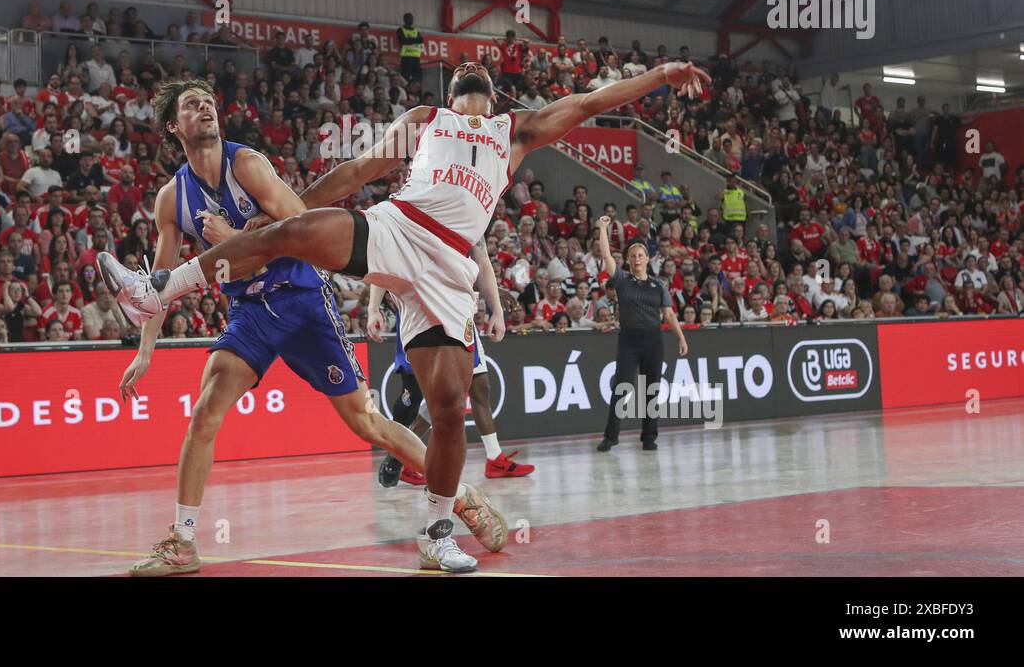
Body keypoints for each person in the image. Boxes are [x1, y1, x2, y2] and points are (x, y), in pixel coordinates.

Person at [107, 58, 709, 571]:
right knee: (296, 232)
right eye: (464, 75)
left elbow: (591, 99)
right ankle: (162, 288)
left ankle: (437, 533)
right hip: (398, 229)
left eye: (481, 76)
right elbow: (357, 172)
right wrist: (286, 218)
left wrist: (661, 74)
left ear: (492, 97)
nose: (472, 76)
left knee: (447, 409)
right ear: (450, 96)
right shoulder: (425, 122)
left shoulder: (515, 131)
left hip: (449, 272)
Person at [96, 79, 503, 577]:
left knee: (365, 424)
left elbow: (299, 223)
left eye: (208, 101)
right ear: (171, 126)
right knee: (205, 410)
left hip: (304, 299)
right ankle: (182, 541)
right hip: (250, 311)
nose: (204, 108)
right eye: (191, 105)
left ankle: (459, 496)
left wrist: (237, 236)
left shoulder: (246, 164)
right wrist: (145, 351)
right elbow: (159, 286)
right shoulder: (170, 199)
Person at [368, 267, 534, 485]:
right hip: (421, 315)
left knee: (476, 387)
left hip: (459, 315)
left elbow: (467, 265)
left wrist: (490, 292)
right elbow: (388, 268)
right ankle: (403, 457)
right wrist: (373, 309)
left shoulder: (463, 239)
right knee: (418, 397)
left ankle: (494, 458)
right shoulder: (406, 239)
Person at [594, 216, 689, 452]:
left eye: (641, 255)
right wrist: (602, 228)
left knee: (652, 390)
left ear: (647, 258)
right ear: (628, 260)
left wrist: (681, 337)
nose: (637, 258)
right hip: (629, 340)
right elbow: (606, 256)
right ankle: (611, 436)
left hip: (654, 341)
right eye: (633, 255)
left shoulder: (658, 285)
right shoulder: (622, 280)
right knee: (621, 388)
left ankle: (649, 437)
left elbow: (668, 314)